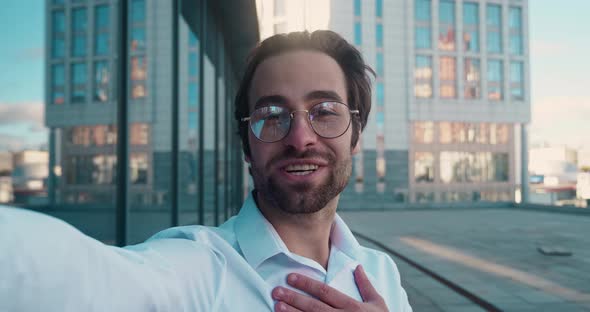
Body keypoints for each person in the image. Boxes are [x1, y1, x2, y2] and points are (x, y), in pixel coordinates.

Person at [0, 30, 411, 312]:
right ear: (246, 146)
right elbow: (80, 279)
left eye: (324, 111)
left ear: (356, 135)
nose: (299, 137)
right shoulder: (199, 267)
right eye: (271, 114)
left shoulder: (380, 273)